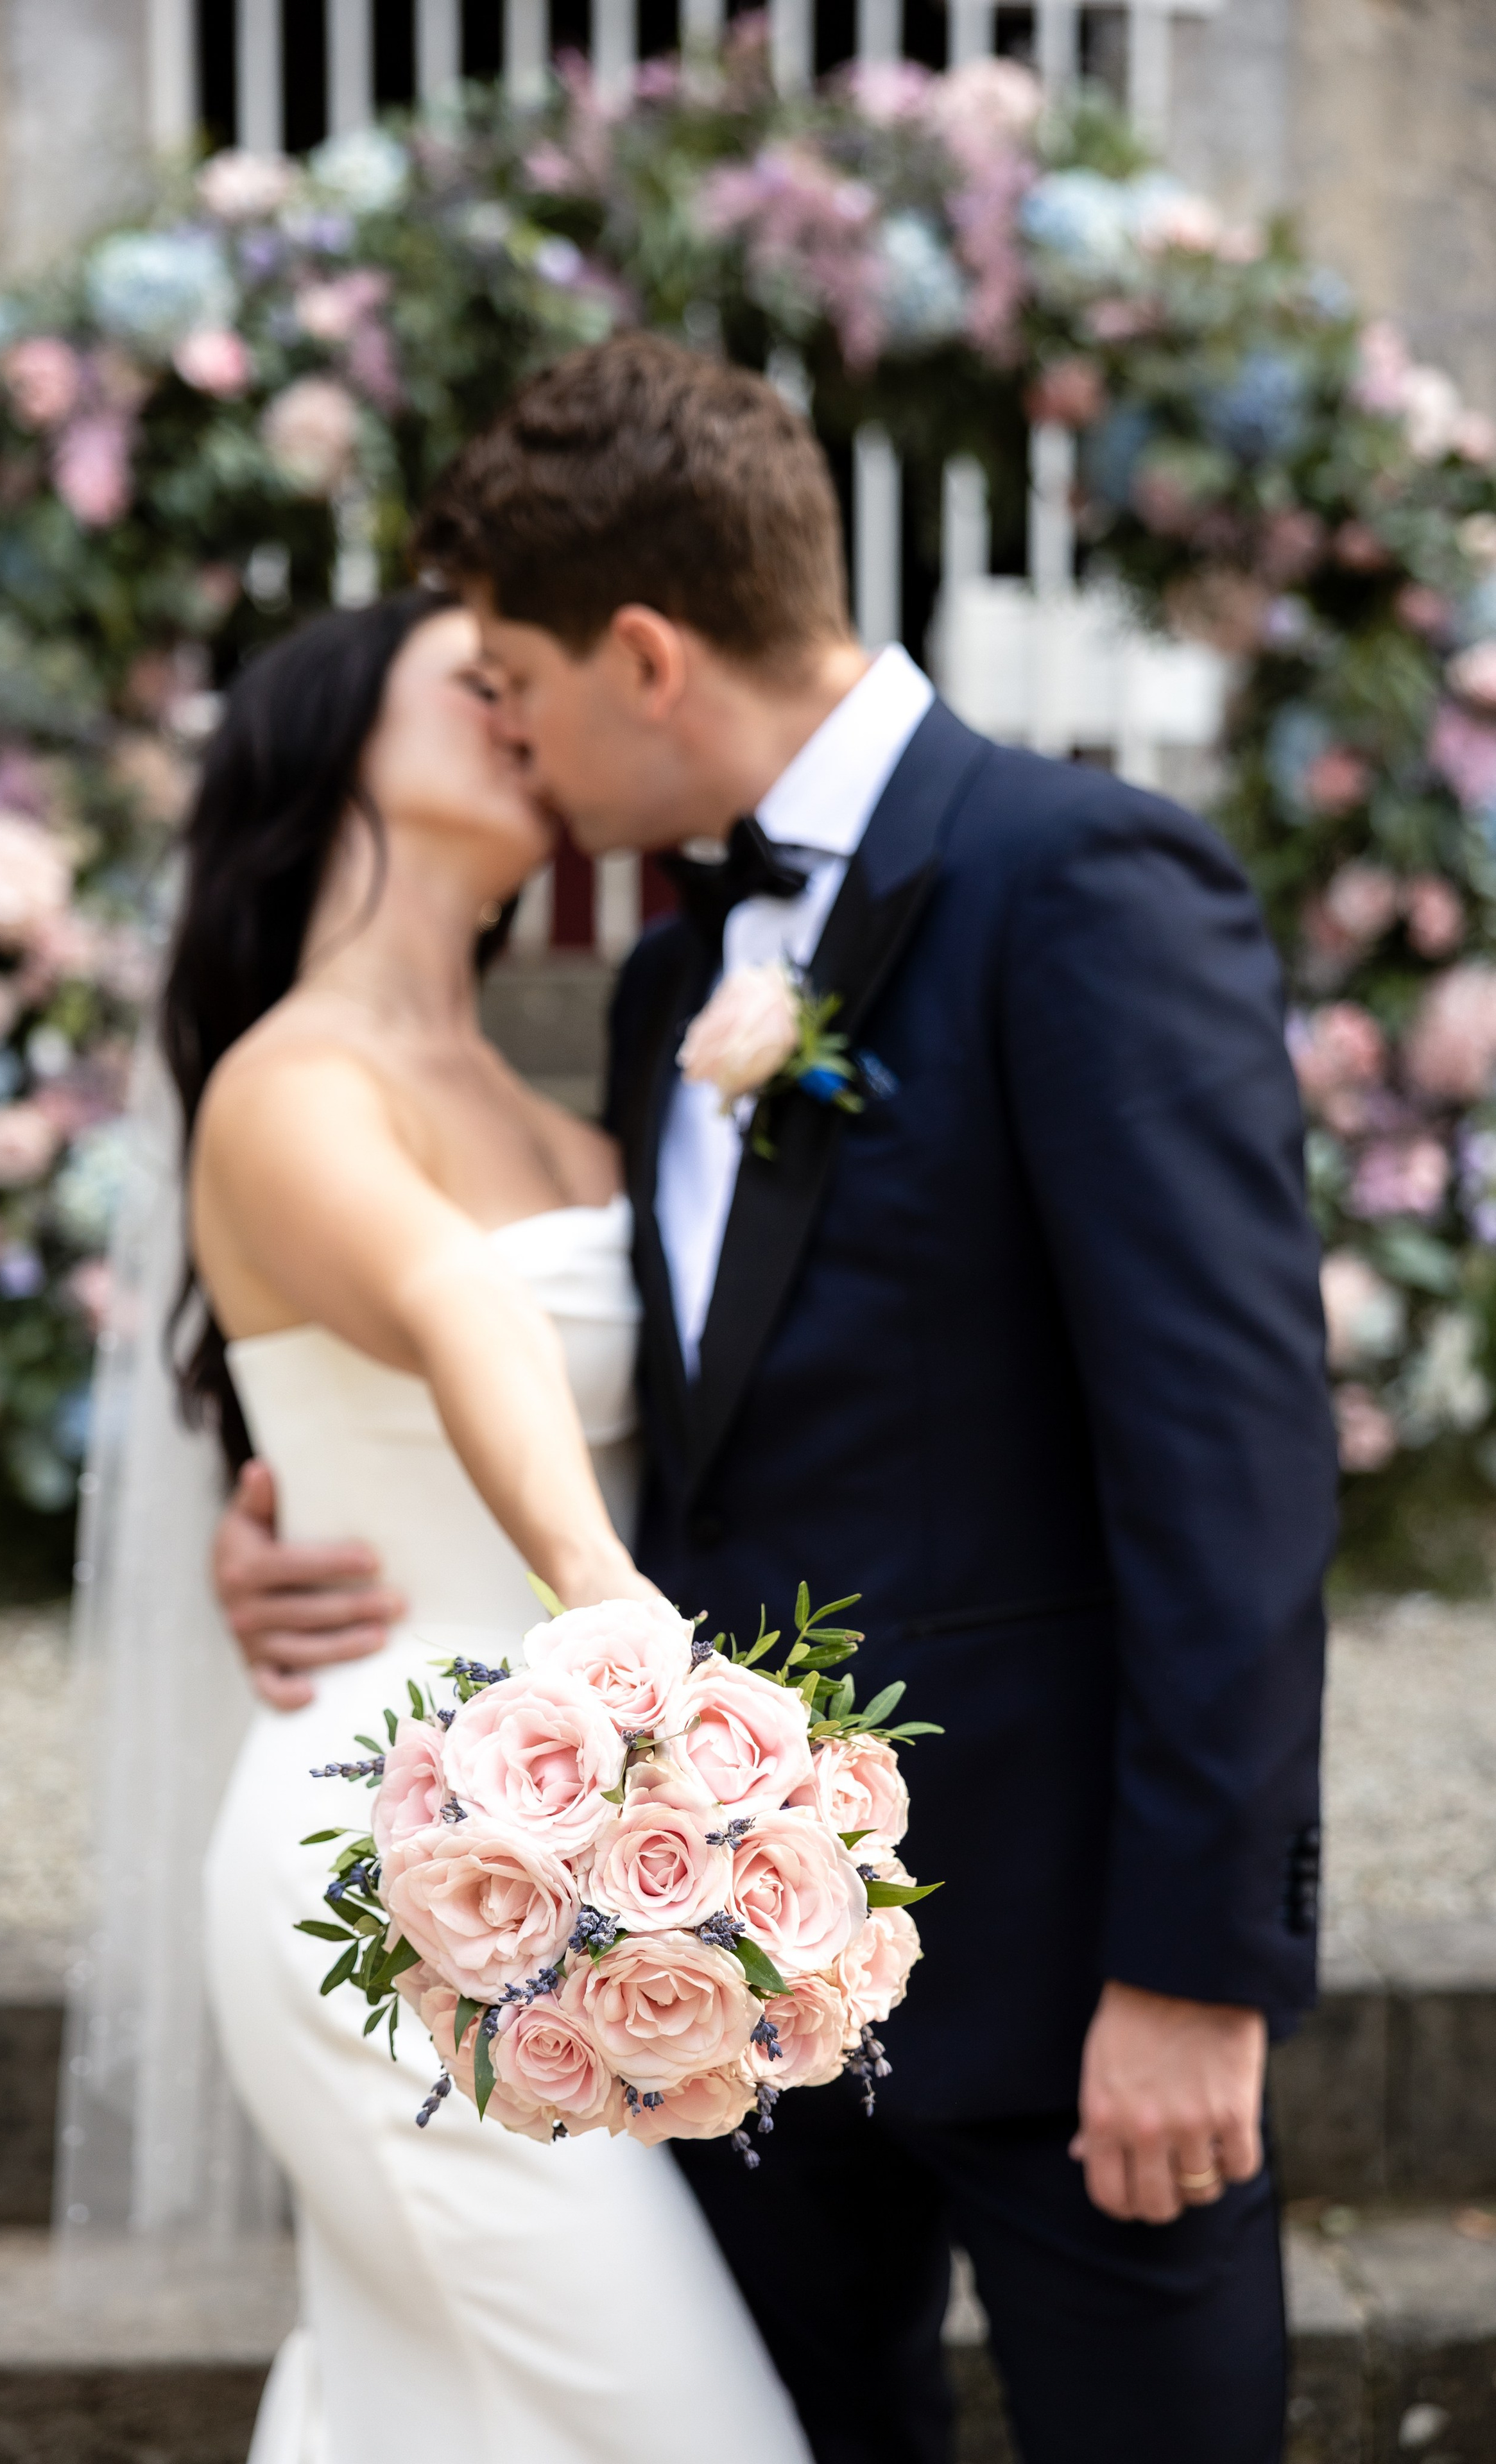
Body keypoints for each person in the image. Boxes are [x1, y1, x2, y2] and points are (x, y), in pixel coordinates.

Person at [215, 335, 1337, 2464]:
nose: (515, 742)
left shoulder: (1086, 881)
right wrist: (295, 1515)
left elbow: (1235, 1473)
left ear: (644, 652)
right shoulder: (670, 981)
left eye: (520, 684)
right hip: (720, 1997)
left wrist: (1200, 1975)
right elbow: (663, 1404)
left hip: (1076, 2000)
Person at [162, 586, 812, 2464]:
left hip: (578, 1844)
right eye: (476, 685)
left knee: (442, 2413)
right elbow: (460, 1309)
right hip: (378, 1876)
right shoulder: (290, 1084)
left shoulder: (562, 1099)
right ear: (333, 738)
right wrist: (603, 1606)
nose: (522, 718)